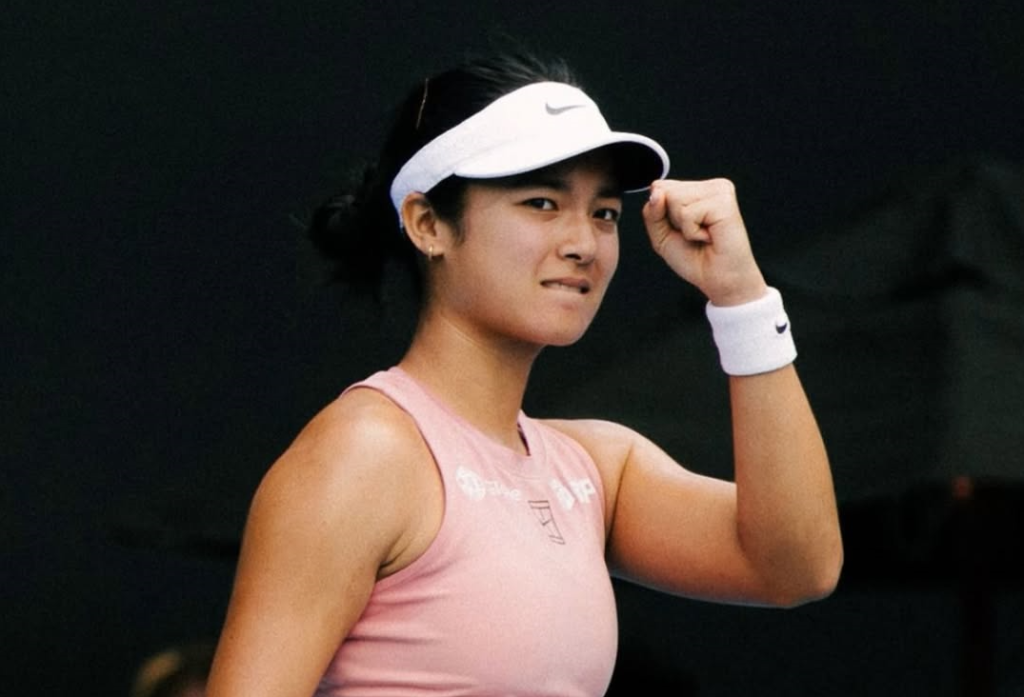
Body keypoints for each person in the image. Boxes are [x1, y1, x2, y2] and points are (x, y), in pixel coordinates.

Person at [206, 51, 843, 697]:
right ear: (428, 224)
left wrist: (742, 299)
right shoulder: (365, 453)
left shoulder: (594, 467)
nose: (583, 242)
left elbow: (795, 567)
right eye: (541, 202)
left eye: (604, 213)